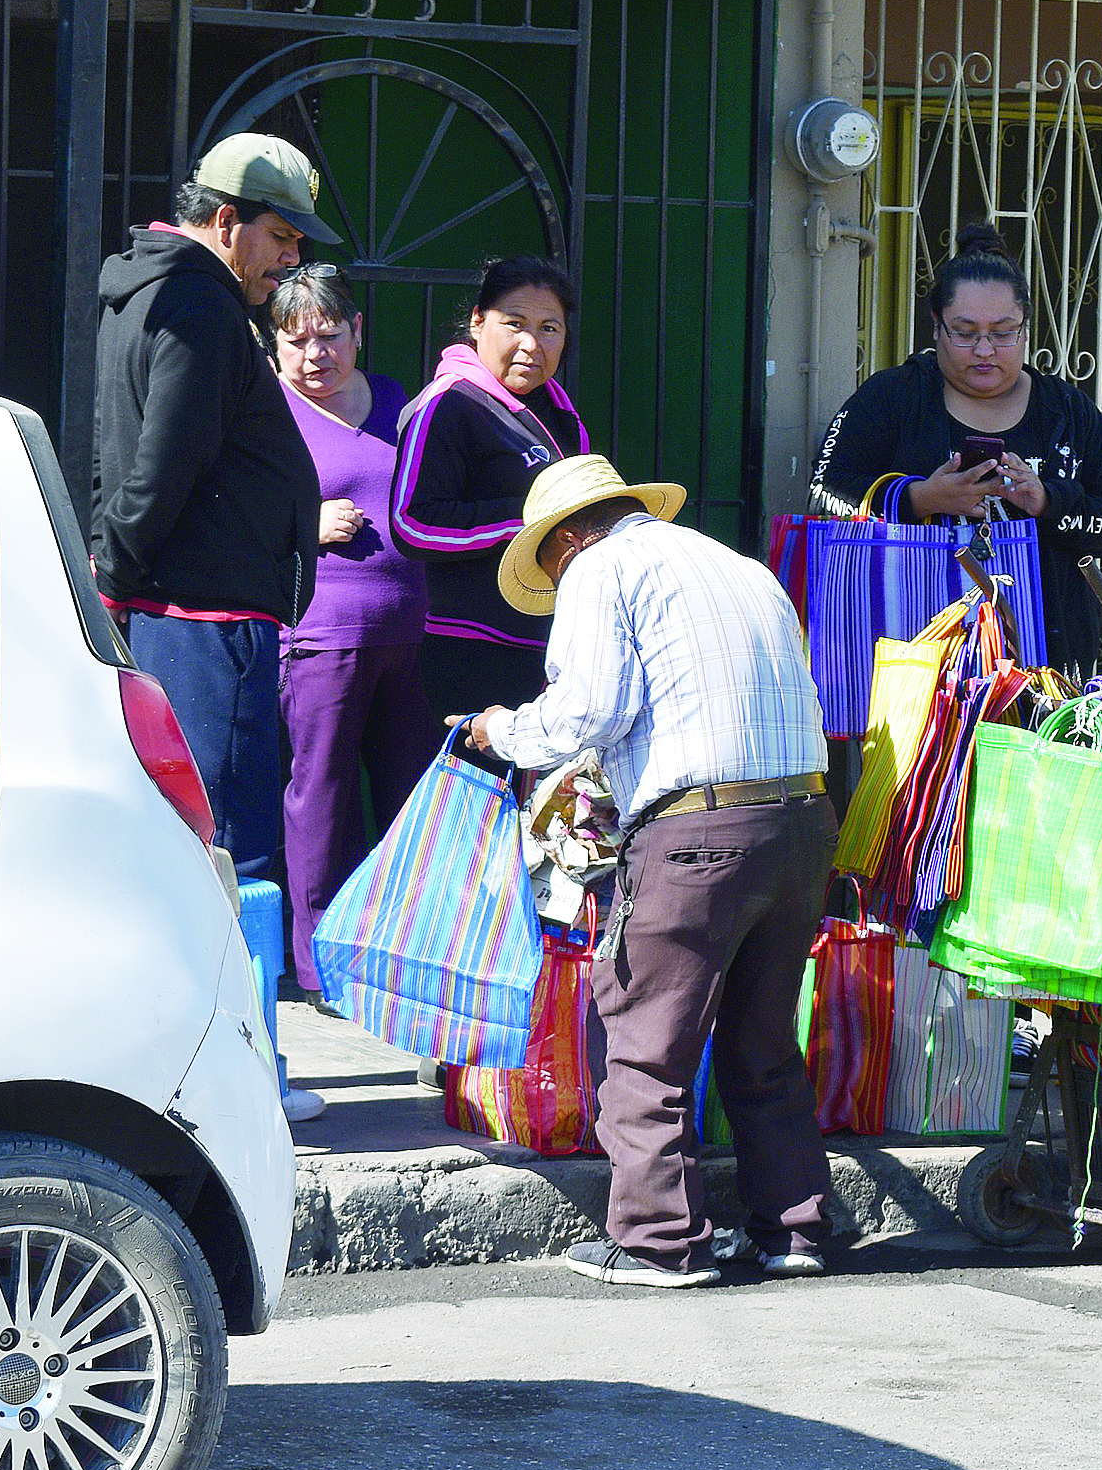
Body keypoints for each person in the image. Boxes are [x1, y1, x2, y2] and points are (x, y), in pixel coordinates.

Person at [460, 455, 834, 1289]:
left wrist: (501, 729)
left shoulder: (599, 568)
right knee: (763, 1040)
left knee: (644, 1042)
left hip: (696, 832)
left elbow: (590, 708)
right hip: (801, 822)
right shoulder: (735, 567)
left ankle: (659, 1240)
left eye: (550, 568)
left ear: (565, 540)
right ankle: (794, 1227)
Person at [92, 134, 330, 898]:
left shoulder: (163, 293)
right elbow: (160, 465)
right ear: (228, 222)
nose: (290, 260)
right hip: (204, 624)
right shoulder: (197, 307)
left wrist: (114, 578)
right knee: (224, 854)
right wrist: (115, 578)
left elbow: (122, 463)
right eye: (281, 237)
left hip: (184, 613)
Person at [809, 222, 1102, 672]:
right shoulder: (892, 397)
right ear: (937, 326)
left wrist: (1049, 502)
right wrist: (919, 498)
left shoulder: (1069, 412)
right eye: (964, 332)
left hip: (1051, 670)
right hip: (917, 671)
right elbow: (823, 491)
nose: (984, 349)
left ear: (1026, 329)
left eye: (1003, 332)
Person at [269, 264, 432, 1013]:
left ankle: (403, 953)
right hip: (320, 636)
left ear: (356, 331)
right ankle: (316, 965)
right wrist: (301, 524)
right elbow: (217, 514)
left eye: (329, 337)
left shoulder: (399, 402)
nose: (315, 356)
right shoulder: (263, 413)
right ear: (273, 344)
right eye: (296, 340)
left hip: (412, 632)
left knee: (410, 800)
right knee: (322, 802)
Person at [391, 257, 592, 726]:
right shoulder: (448, 406)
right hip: (473, 650)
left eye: (549, 328)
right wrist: (529, 521)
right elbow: (412, 525)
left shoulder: (561, 417)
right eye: (514, 324)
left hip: (550, 649)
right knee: (474, 798)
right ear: (478, 323)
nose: (531, 344)